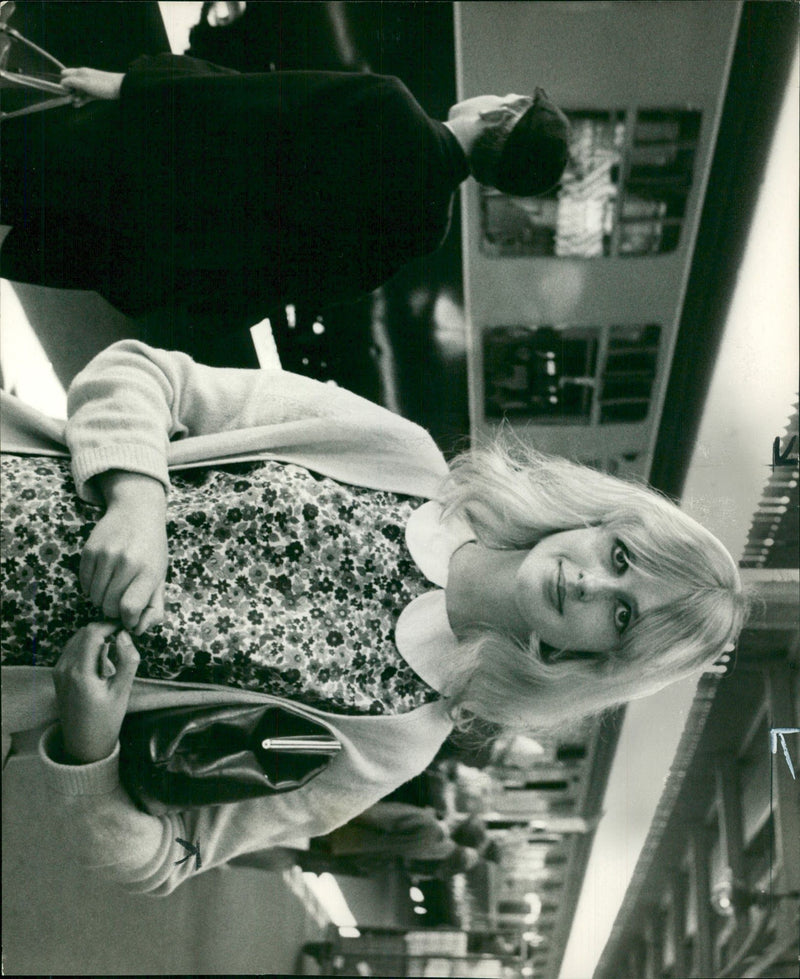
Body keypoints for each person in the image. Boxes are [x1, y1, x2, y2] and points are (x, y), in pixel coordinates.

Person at [1, 341, 746, 895]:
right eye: (618, 556)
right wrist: (137, 498)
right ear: (595, 519)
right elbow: (144, 371)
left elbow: (163, 860)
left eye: (620, 616)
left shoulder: (392, 740)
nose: (586, 583)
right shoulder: (394, 455)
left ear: (595, 662)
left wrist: (90, 742)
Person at [0, 54, 570, 332]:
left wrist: (127, 84)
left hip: (120, 162)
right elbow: (278, 286)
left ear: (501, 115)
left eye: (505, 95)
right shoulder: (424, 230)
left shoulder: (387, 107)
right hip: (132, 251)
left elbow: (244, 102)